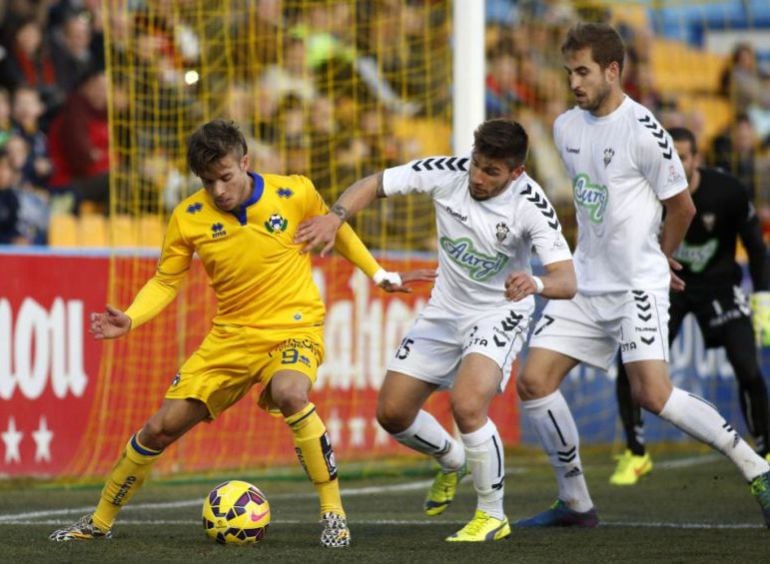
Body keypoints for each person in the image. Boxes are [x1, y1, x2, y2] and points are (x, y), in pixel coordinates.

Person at [48, 119, 431, 547]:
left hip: (294, 327)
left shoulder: (294, 192)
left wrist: (380, 275)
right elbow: (166, 280)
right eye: (207, 182)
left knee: (290, 393)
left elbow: (334, 228)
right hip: (230, 337)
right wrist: (132, 318)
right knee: (160, 428)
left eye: (225, 177)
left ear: (245, 162)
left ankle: (333, 514)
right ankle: (98, 521)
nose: (217, 191)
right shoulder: (188, 217)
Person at [513, 22, 770, 529]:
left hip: (636, 285)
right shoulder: (566, 127)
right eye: (568, 73)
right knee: (533, 381)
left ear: (613, 70)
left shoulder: (646, 132)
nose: (574, 83)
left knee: (652, 395)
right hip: (584, 281)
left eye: (583, 72)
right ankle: (576, 503)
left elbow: (682, 208)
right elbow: (592, 204)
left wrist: (662, 256)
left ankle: (757, 467)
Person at [294, 118, 577, 541]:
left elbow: (567, 282)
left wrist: (535, 283)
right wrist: (336, 217)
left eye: (492, 172)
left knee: (466, 405)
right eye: (477, 165)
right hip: (445, 309)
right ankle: (452, 460)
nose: (478, 178)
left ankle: (491, 514)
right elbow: (375, 182)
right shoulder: (446, 172)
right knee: (392, 414)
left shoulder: (531, 205)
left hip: (499, 311)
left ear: (516, 172)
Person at [610, 126, 770, 485]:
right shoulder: (645, 190)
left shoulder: (727, 191)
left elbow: (757, 248)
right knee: (630, 365)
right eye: (670, 156)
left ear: (696, 159)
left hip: (719, 288)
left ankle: (766, 449)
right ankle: (636, 455)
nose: (676, 163)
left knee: (747, 367)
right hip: (666, 287)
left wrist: (763, 296)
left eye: (683, 156)